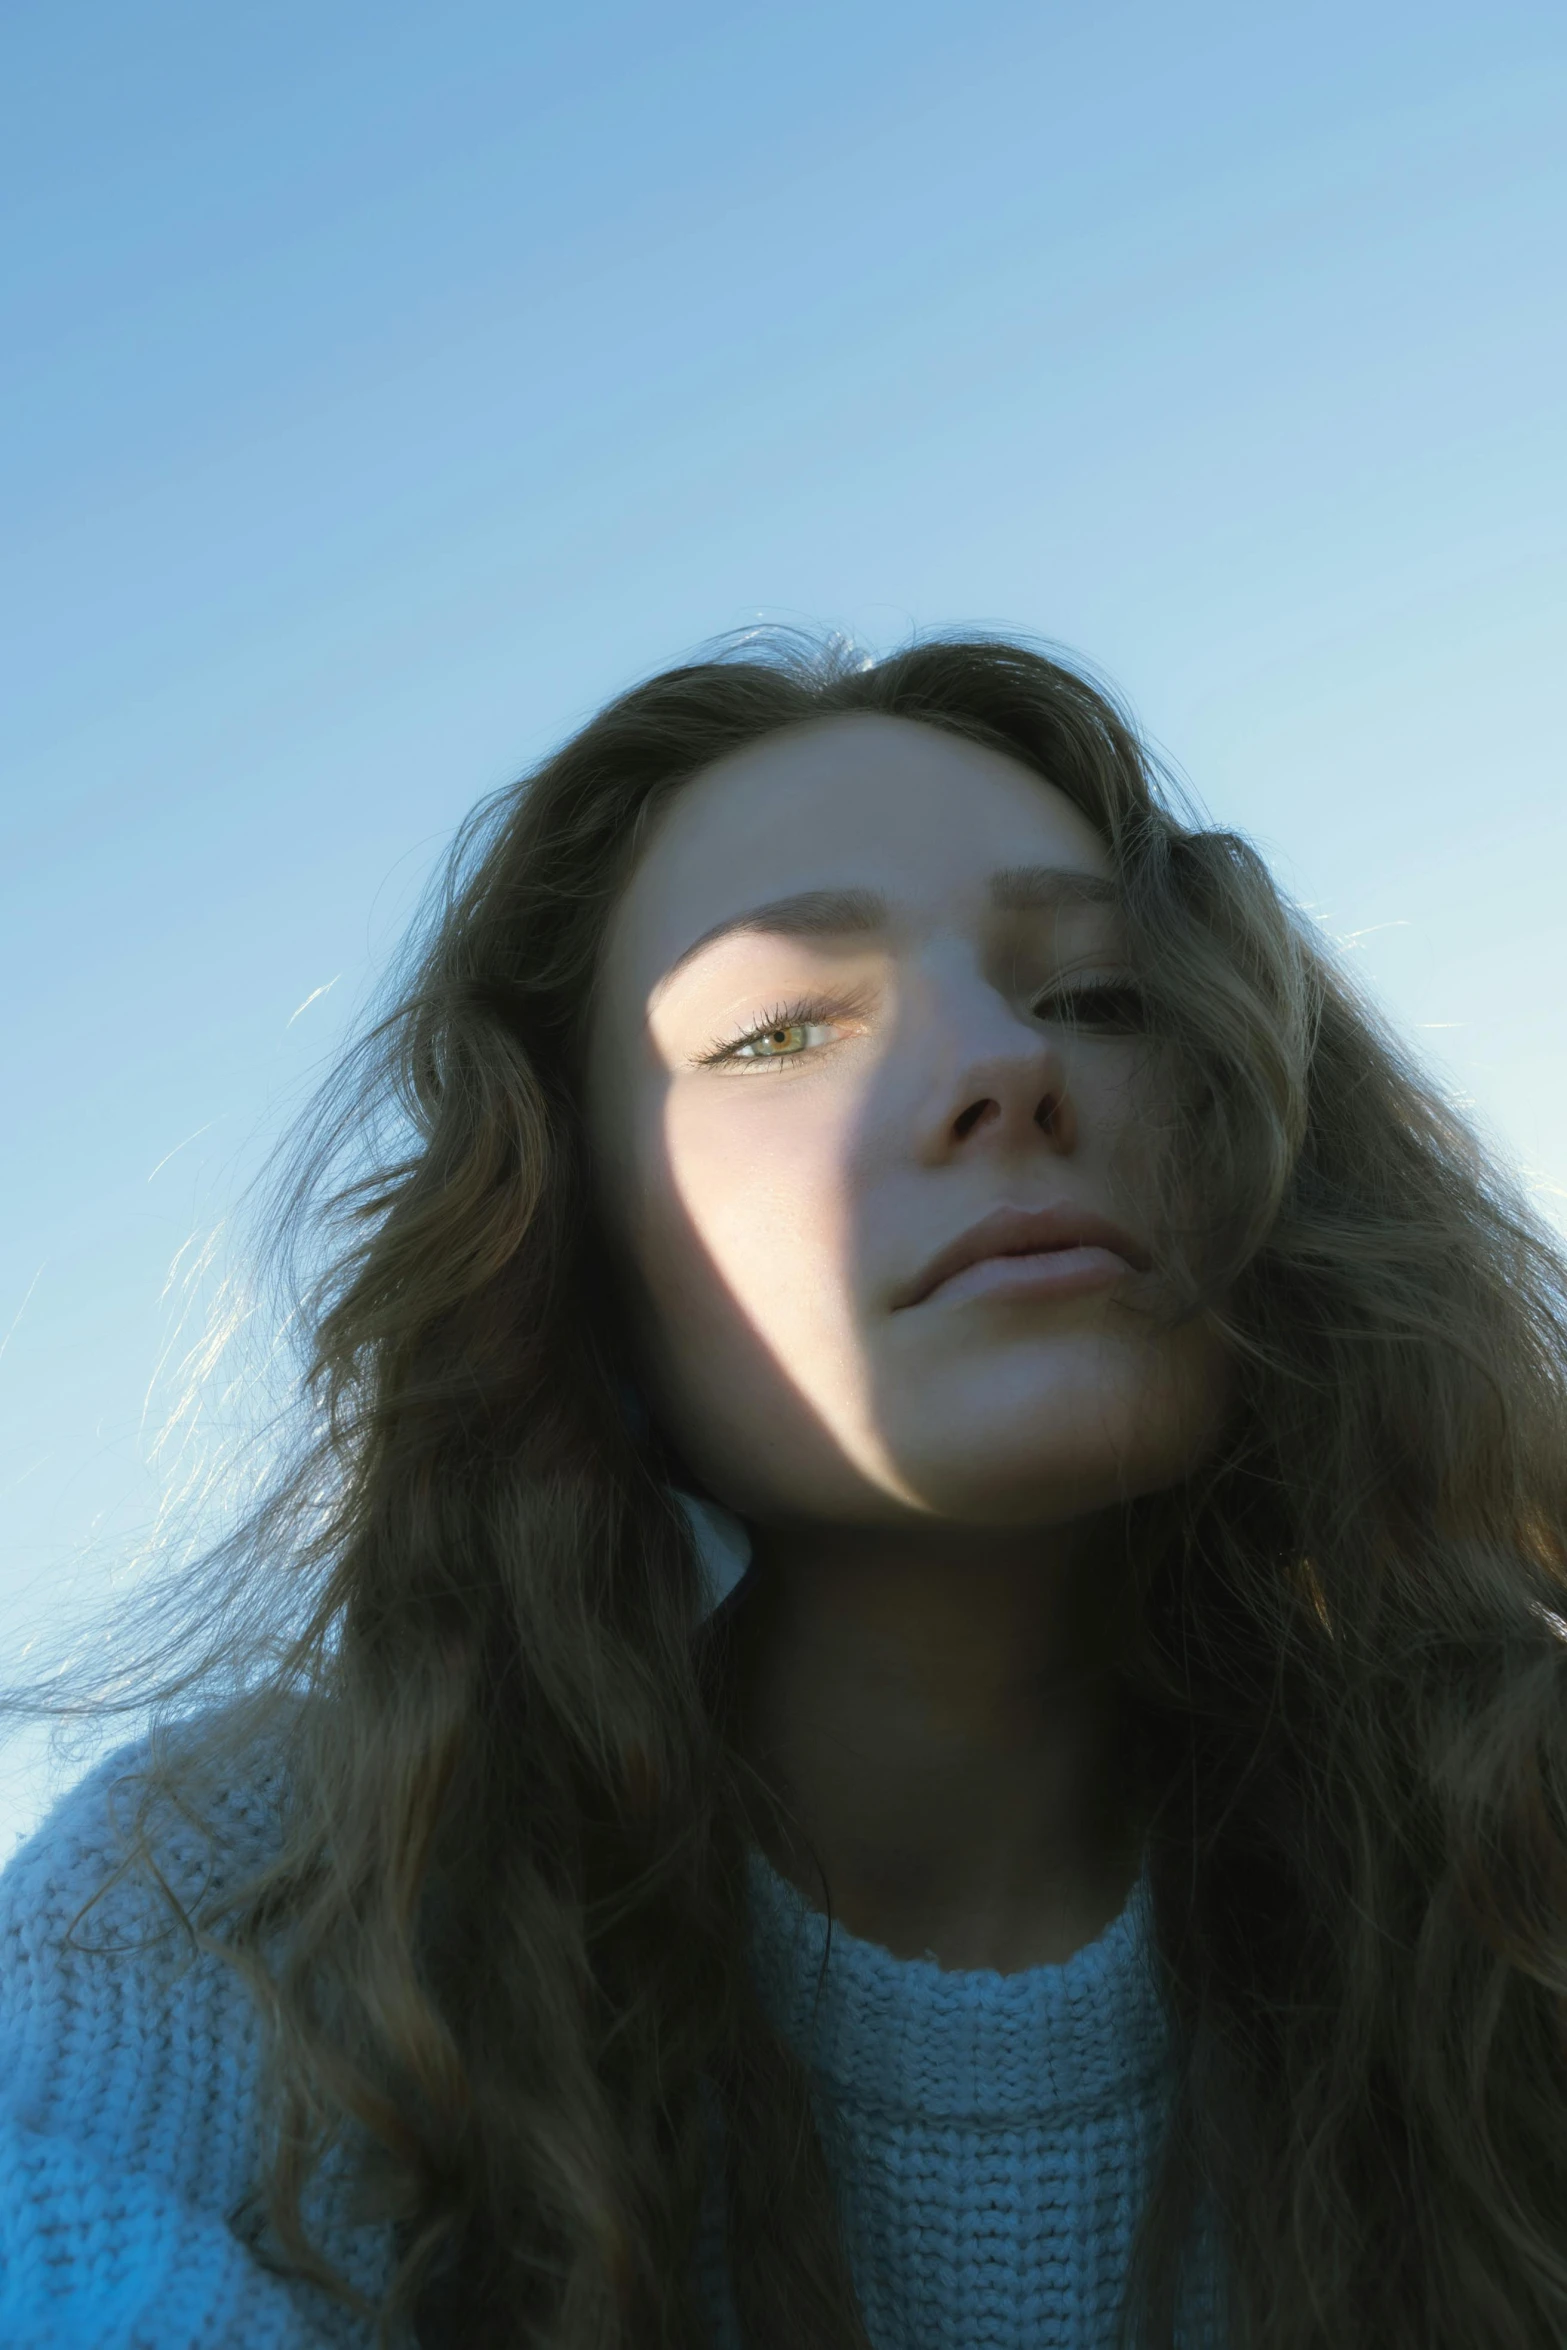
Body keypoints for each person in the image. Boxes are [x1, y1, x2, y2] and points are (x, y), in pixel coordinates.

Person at [2, 632, 1565, 2350]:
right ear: (573, 1256)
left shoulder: (1515, 1858)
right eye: (779, 1028)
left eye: (1099, 995)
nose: (1002, 1064)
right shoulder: (251, 1905)